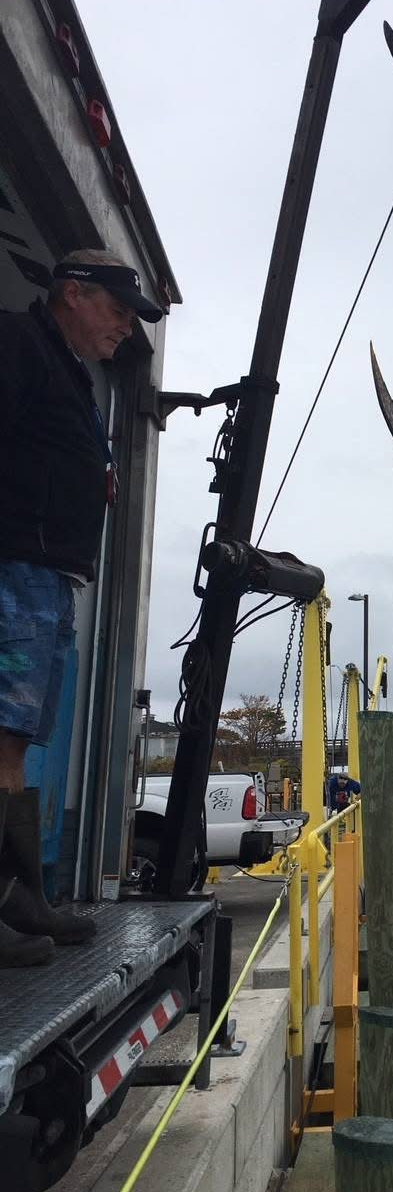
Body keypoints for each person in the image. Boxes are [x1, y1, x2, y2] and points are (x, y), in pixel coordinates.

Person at [0, 249, 162, 967]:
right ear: (72, 292)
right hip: (16, 570)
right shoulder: (18, 343)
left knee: (15, 742)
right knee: (1, 737)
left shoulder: (68, 370)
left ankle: (23, 894)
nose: (127, 329)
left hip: (49, 577)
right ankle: (11, 907)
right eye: (119, 311)